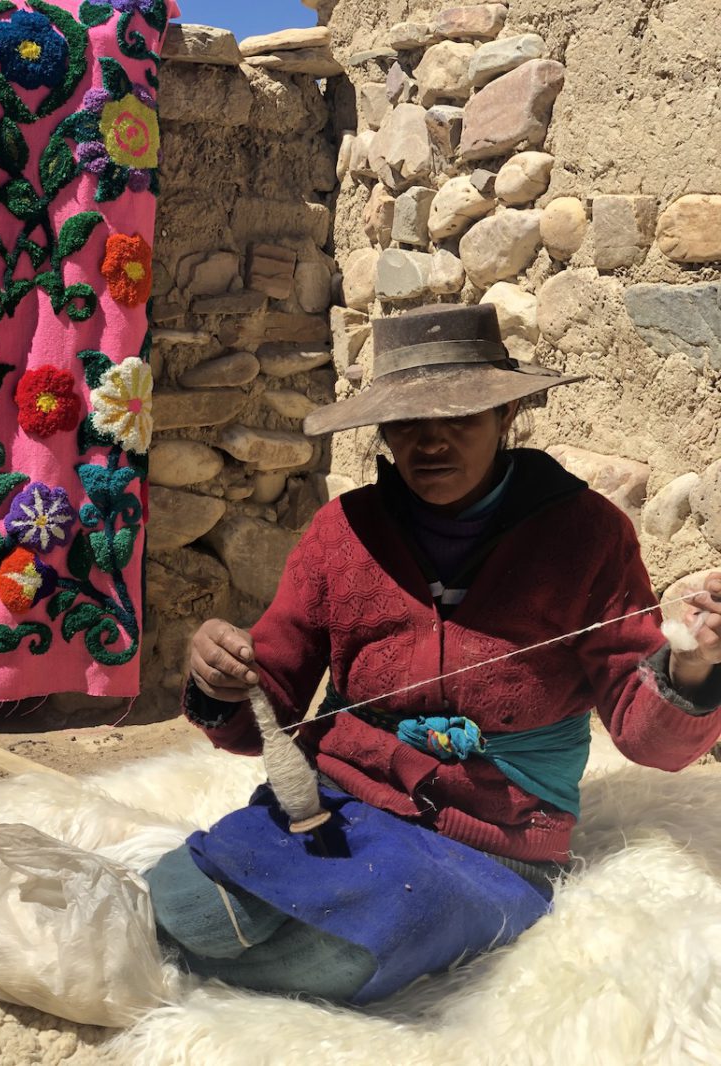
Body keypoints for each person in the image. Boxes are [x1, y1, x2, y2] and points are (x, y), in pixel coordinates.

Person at [146, 304, 721, 1004]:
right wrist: (222, 672)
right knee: (184, 899)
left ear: (505, 419)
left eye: (461, 420)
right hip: (340, 798)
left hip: (494, 835)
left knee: (351, 948)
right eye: (409, 425)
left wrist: (693, 664)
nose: (432, 445)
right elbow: (267, 698)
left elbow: (645, 735)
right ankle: (222, 953)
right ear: (383, 431)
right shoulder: (344, 531)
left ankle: (216, 975)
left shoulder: (586, 534)